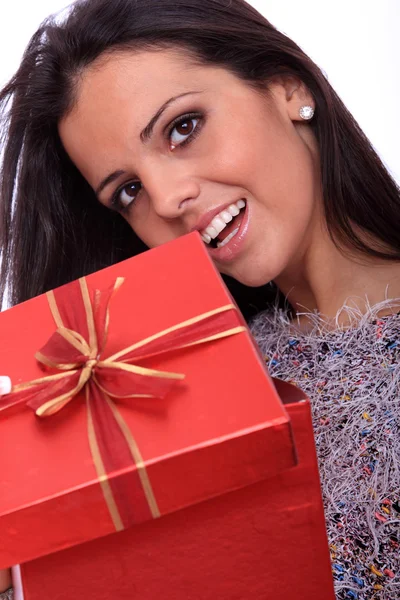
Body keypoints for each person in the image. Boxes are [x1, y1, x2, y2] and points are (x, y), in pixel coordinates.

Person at [0, 0, 399, 598]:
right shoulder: (168, 396)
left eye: (182, 127)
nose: (163, 199)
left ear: (286, 87)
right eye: (127, 190)